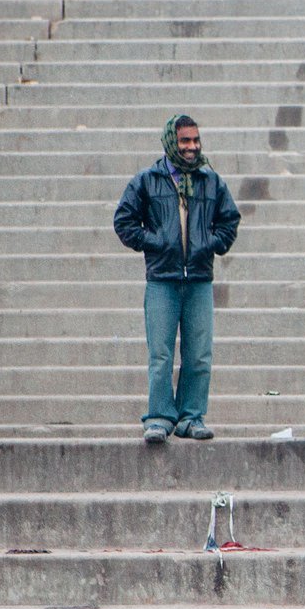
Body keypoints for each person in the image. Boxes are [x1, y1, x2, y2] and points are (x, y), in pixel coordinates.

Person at [114, 114, 239, 444]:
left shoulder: (210, 181)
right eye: (185, 141)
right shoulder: (148, 180)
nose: (192, 147)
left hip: (199, 278)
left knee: (199, 355)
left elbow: (230, 221)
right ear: (172, 141)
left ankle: (191, 416)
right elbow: (124, 221)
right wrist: (157, 243)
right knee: (161, 354)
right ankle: (158, 417)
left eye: (196, 140)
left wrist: (209, 245)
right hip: (162, 280)